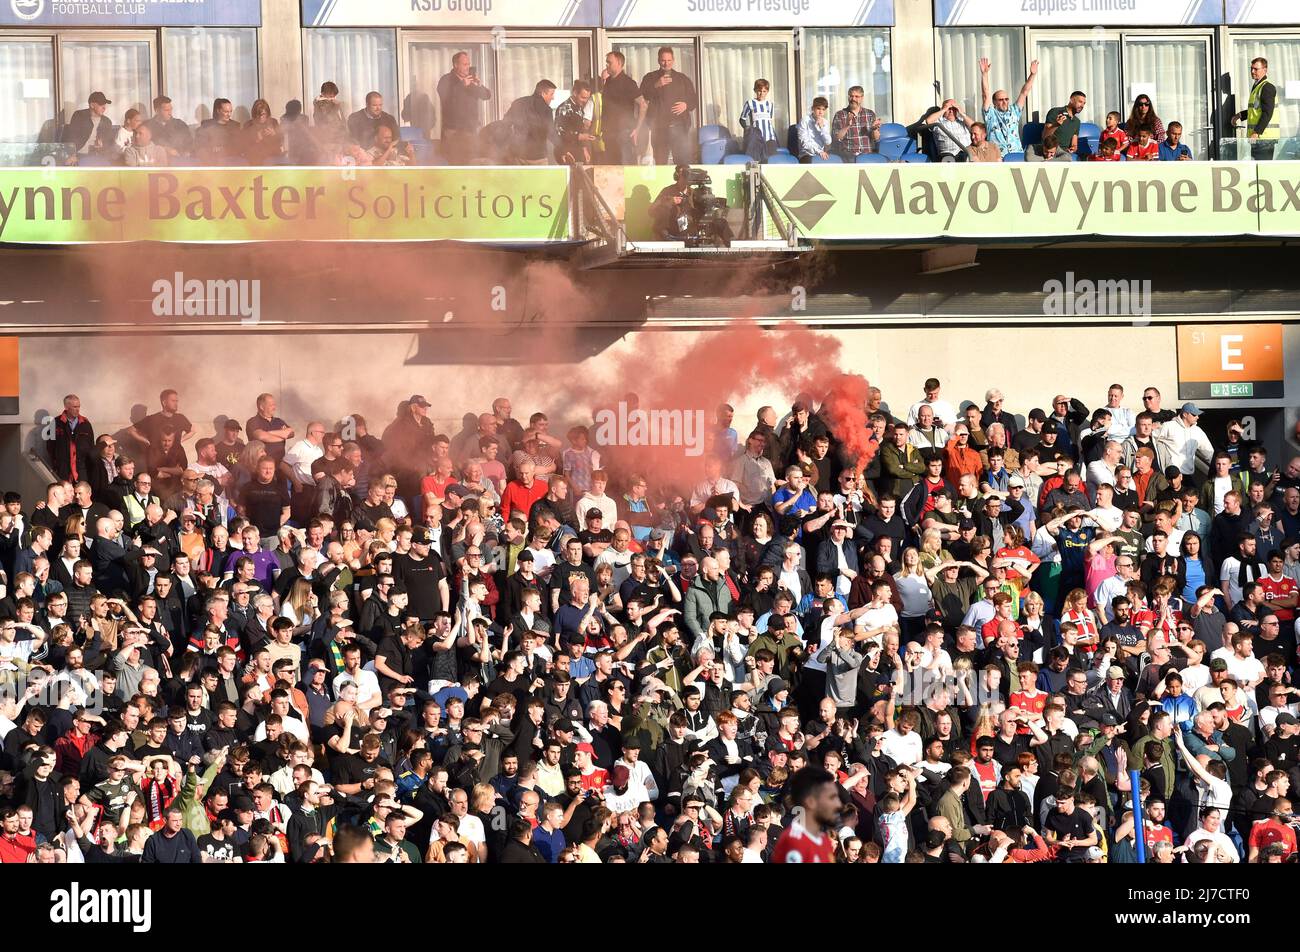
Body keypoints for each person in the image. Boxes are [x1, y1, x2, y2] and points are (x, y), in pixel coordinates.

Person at [637, 47, 698, 165]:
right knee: (660, 162)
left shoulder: (682, 78)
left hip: (679, 127)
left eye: (669, 60)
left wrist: (686, 105)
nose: (666, 63)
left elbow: (694, 100)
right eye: (663, 60)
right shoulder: (650, 77)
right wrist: (656, 85)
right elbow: (642, 97)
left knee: (682, 163)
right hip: (659, 128)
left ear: (673, 60)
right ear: (658, 60)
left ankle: (682, 184)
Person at [437, 51, 492, 164]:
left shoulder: (470, 81)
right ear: (456, 65)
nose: (468, 67)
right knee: (454, 161)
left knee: (470, 161)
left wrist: (479, 85)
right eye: (465, 64)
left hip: (470, 130)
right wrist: (462, 85)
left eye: (469, 64)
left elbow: (487, 95)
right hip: (453, 131)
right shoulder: (446, 80)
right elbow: (447, 99)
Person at [979, 57, 1038, 157]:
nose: (1004, 102)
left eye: (1006, 99)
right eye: (1001, 100)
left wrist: (1032, 75)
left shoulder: (1014, 111)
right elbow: (986, 94)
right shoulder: (990, 113)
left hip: (1016, 154)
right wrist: (984, 75)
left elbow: (1024, 92)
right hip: (997, 156)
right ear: (994, 102)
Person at [597, 51, 640, 165]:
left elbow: (643, 104)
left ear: (619, 63)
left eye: (609, 62)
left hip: (623, 133)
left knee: (624, 166)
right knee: (611, 167)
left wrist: (637, 128)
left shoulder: (628, 83)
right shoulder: (608, 83)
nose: (607, 65)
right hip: (608, 133)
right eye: (606, 62)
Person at [1234, 56, 1278, 162]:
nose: (1253, 71)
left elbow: (1267, 112)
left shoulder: (1267, 87)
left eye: (1256, 69)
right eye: (1251, 68)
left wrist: (1256, 132)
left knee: (1263, 170)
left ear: (1265, 70)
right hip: (1259, 138)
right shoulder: (1257, 86)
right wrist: (1240, 115)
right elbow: (1255, 109)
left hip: (1264, 139)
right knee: (1257, 169)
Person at [504, 81, 559, 165]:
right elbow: (551, 133)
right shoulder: (546, 110)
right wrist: (563, 149)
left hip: (517, 156)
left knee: (520, 179)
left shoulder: (518, 103)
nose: (553, 98)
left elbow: (506, 124)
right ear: (543, 93)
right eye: (551, 94)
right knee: (540, 178)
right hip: (537, 158)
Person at [831, 86, 880, 161]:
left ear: (862, 98)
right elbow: (836, 138)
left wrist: (874, 129)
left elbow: (876, 138)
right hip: (848, 156)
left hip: (867, 155)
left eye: (856, 96)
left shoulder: (870, 114)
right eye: (851, 96)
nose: (853, 99)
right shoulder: (840, 114)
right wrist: (847, 126)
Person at [555, 82, 597, 165]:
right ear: (574, 93)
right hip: (566, 152)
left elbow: (580, 129)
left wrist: (584, 150)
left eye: (587, 98)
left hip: (578, 150)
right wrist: (579, 137)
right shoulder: (564, 108)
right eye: (583, 97)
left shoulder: (579, 107)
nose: (585, 101)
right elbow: (559, 133)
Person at [62, 92, 113, 158]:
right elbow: (72, 137)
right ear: (92, 105)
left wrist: (102, 144)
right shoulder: (79, 116)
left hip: (99, 156)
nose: (104, 107)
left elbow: (109, 143)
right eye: (101, 104)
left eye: (105, 105)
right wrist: (71, 155)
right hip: (79, 155)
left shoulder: (107, 122)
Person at [738, 79, 779, 162]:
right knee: (756, 162)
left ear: (767, 92)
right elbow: (742, 119)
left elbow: (769, 121)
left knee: (770, 162)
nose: (761, 94)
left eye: (764, 91)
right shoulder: (750, 103)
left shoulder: (770, 104)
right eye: (759, 91)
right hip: (757, 138)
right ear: (755, 90)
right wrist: (747, 128)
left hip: (769, 138)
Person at [145, 95, 192, 160]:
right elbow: (143, 146)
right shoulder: (147, 127)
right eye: (166, 110)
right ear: (157, 111)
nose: (170, 113)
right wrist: (164, 149)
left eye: (171, 109)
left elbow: (189, 144)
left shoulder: (180, 125)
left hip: (179, 162)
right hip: (156, 162)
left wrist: (185, 153)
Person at [1044, 91, 1087, 155]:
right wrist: (1056, 125)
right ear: (1071, 100)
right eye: (1080, 102)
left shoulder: (1077, 121)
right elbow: (1045, 135)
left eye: (1084, 103)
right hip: (1050, 151)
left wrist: (1073, 148)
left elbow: (1074, 144)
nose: (1082, 106)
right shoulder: (1055, 112)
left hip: (1064, 154)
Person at [796, 96, 832, 163]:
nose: (821, 112)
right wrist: (819, 151)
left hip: (821, 155)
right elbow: (804, 144)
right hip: (806, 155)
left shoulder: (825, 122)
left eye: (823, 109)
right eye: (818, 109)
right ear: (813, 108)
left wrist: (822, 128)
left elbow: (828, 142)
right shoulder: (805, 120)